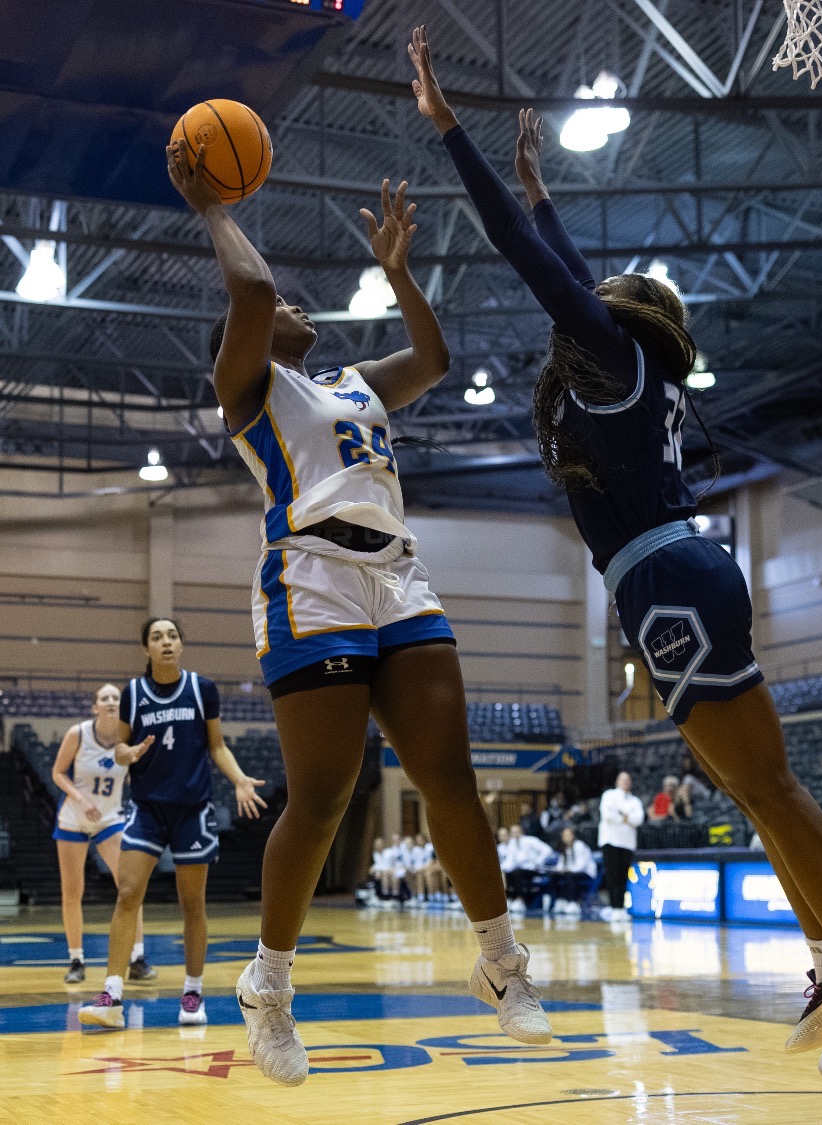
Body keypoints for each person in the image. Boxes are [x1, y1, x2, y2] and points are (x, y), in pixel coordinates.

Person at [411, 27, 822, 1081]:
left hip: (671, 580)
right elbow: (567, 268)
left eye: (607, 289)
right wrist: (541, 190)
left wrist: (452, 131)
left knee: (767, 784)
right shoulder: (628, 369)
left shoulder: (614, 360)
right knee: (753, 788)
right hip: (665, 584)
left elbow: (532, 264)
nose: (588, 291)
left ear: (631, 315)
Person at [165, 141, 550, 1083]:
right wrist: (212, 204)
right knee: (326, 794)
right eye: (285, 309)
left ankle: (500, 962)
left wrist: (400, 274)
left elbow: (434, 357)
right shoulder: (250, 388)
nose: (296, 309)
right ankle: (268, 984)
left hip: (400, 575)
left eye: (301, 306)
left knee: (449, 775)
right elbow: (253, 293)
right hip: (311, 576)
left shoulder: (354, 383)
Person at [79, 618, 268, 1031]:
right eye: (157, 637)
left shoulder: (202, 689)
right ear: (146, 649)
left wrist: (239, 779)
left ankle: (193, 992)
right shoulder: (133, 693)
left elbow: (217, 745)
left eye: (172, 636)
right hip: (147, 809)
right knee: (127, 893)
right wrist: (127, 754)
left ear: (181, 645)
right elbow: (121, 747)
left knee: (192, 904)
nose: (166, 642)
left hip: (192, 810)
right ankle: (111, 994)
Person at [51, 684, 147, 985]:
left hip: (109, 819)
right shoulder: (78, 734)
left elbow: (137, 776)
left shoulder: (128, 738)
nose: (110, 702)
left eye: (115, 698)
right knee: (72, 892)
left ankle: (138, 958)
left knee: (129, 887)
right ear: (95, 707)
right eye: (104, 698)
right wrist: (81, 800)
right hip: (74, 817)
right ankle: (76, 960)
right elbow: (57, 773)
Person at [597, 772, 643, 919]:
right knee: (612, 876)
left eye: (628, 780)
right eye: (622, 779)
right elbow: (607, 815)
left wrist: (622, 815)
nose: (625, 782)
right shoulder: (609, 795)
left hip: (627, 843)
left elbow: (639, 819)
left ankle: (621, 908)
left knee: (623, 876)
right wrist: (627, 818)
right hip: (611, 841)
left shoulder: (635, 800)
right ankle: (614, 908)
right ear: (617, 781)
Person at [550, 826, 596, 913]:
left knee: (571, 876)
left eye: (568, 835)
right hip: (571, 872)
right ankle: (560, 899)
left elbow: (581, 866)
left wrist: (567, 870)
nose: (566, 838)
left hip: (586, 873)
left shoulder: (579, 846)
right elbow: (560, 865)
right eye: (564, 836)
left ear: (573, 836)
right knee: (554, 876)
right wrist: (556, 870)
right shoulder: (564, 848)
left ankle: (574, 901)